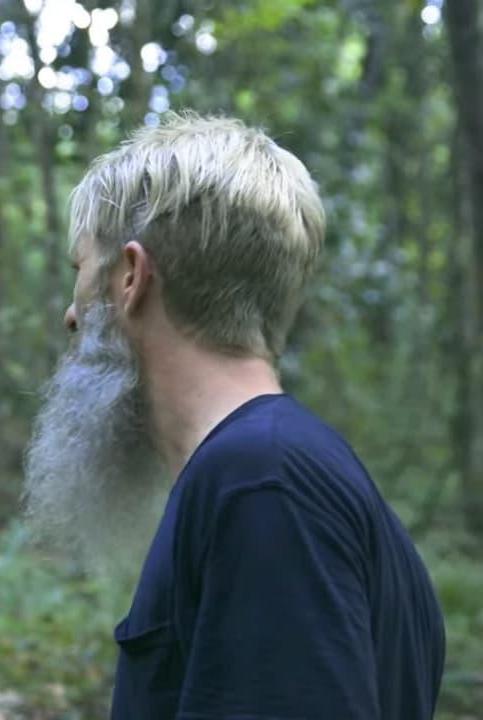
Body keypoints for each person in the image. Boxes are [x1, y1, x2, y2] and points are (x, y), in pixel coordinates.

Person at [22, 112, 444, 719]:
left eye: (80, 271)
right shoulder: (268, 472)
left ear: (131, 278)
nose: (70, 313)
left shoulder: (263, 484)